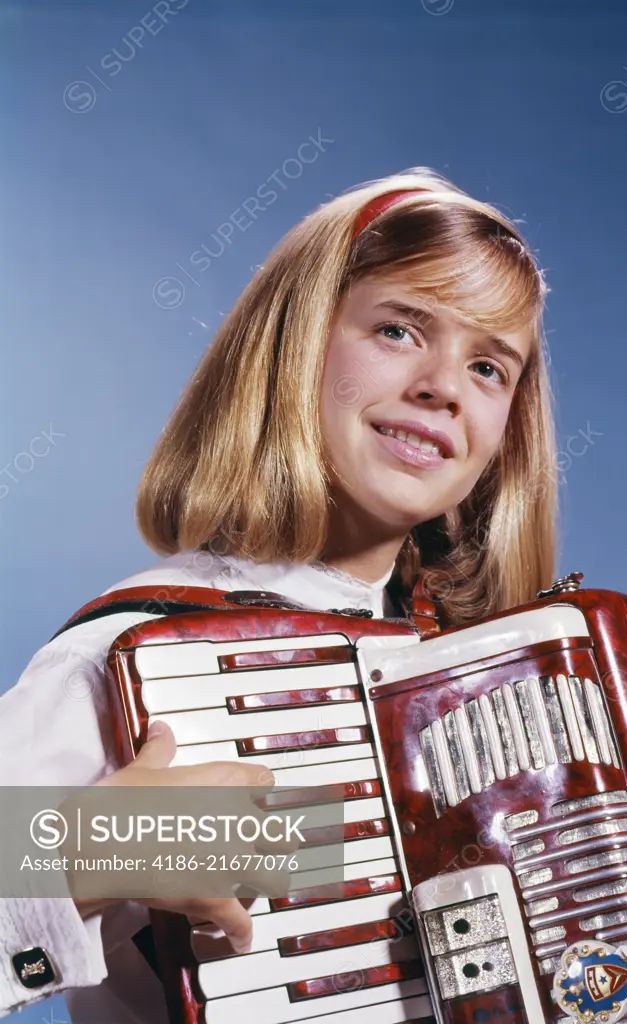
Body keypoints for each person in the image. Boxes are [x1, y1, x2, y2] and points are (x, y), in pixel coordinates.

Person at [0, 167, 557, 1022]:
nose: (444, 384)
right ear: (294, 346)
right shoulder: (134, 654)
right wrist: (87, 853)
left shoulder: (489, 668)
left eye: (489, 366)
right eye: (400, 329)